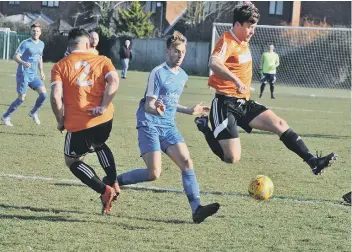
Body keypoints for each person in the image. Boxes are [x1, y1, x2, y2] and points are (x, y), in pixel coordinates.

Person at [194, 2, 337, 176]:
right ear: (237, 24)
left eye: (254, 27)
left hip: (243, 103)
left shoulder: (244, 39)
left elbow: (244, 11)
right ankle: (204, 127)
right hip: (224, 104)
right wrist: (235, 79)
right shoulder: (227, 41)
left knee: (280, 124)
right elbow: (213, 62)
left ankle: (314, 162)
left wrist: (248, 6)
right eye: (249, 27)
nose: (252, 31)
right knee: (231, 157)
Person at [112, 31, 220, 223]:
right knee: (154, 174)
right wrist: (157, 110)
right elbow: (148, 105)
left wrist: (188, 110)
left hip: (168, 126)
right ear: (167, 51)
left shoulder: (183, 76)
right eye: (176, 51)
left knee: (187, 163)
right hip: (149, 124)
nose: (180, 56)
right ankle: (114, 181)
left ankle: (197, 209)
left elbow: (170, 102)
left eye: (183, 52)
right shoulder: (158, 72)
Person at [50, 27, 121, 214]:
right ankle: (113, 180)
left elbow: (56, 96)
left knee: (72, 161)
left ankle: (105, 190)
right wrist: (104, 106)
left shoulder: (60, 65)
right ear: (88, 43)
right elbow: (114, 81)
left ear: (69, 45)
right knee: (99, 143)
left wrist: (60, 120)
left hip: (79, 123)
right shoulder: (103, 60)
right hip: (104, 119)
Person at [1, 23, 47, 126]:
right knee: (21, 99)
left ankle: (33, 112)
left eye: (37, 31)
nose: (35, 33)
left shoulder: (41, 44)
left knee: (44, 95)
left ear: (40, 32)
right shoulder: (25, 43)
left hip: (33, 75)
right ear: (31, 32)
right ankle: (6, 116)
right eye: (34, 31)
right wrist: (23, 63)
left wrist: (42, 71)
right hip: (23, 74)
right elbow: (15, 56)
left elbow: (40, 58)